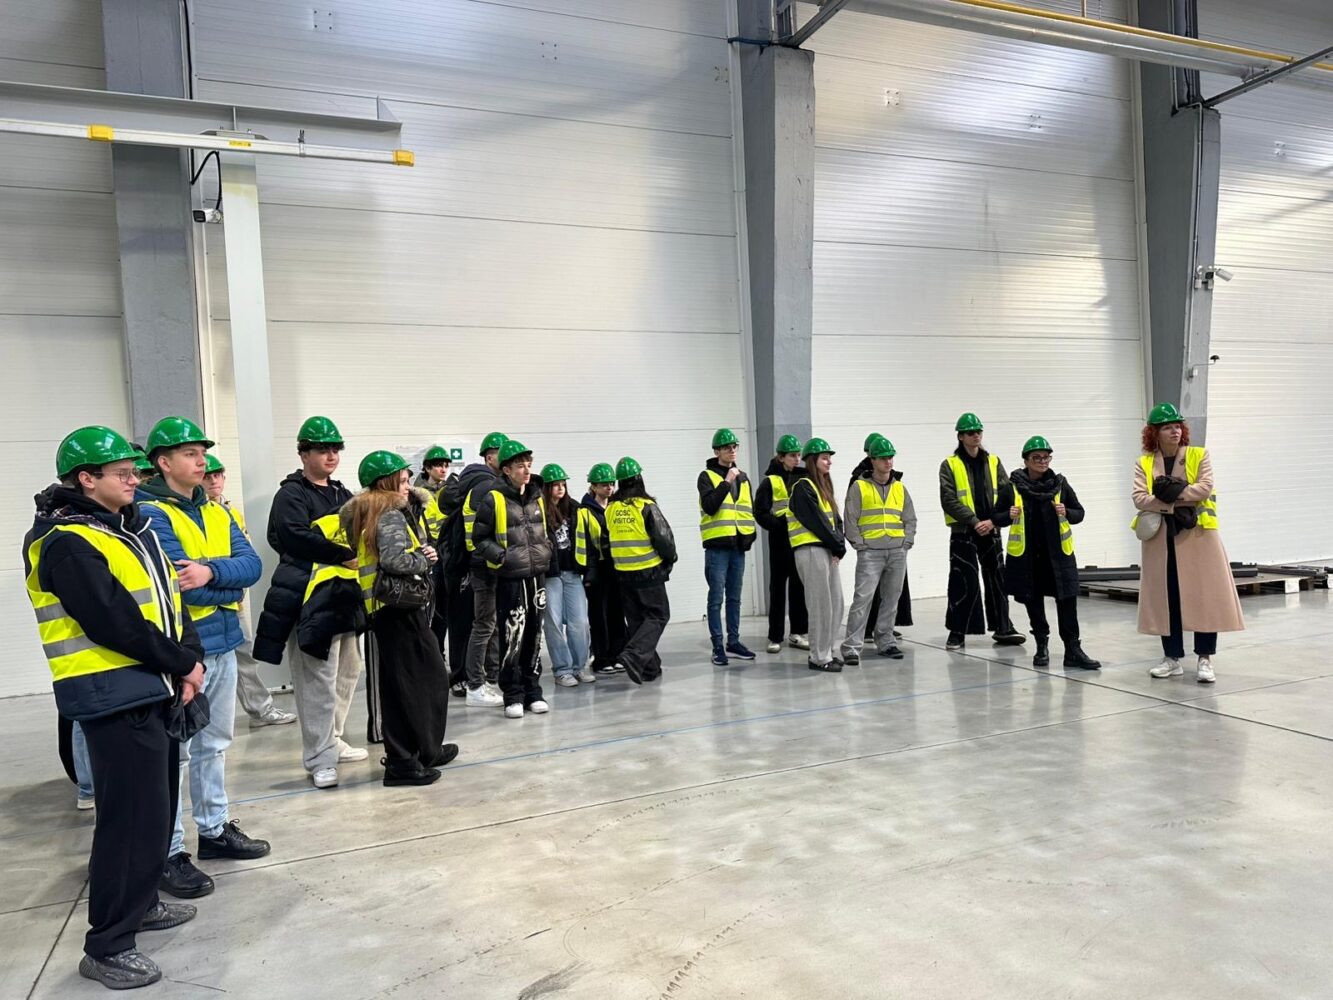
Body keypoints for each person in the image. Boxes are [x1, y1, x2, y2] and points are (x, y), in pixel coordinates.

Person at [24, 425, 205, 989]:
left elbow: (169, 601)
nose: (134, 480)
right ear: (86, 478)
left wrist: (189, 661)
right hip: (111, 693)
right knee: (128, 822)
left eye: (134, 472)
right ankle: (107, 944)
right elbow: (112, 621)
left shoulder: (129, 529)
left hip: (152, 686)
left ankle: (142, 904)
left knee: (156, 812)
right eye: (123, 473)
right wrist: (180, 662)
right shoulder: (65, 542)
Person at [138, 417, 271, 900]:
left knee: (214, 745)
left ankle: (214, 830)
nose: (202, 462)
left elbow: (252, 567)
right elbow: (181, 587)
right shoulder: (149, 512)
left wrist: (211, 573)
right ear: (163, 462)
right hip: (183, 652)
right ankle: (170, 850)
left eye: (203, 453)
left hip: (224, 643)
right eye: (191, 454)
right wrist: (225, 585)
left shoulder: (215, 510)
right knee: (176, 754)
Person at [253, 416, 367, 790]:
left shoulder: (342, 494)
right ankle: (320, 757)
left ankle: (333, 739)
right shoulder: (291, 495)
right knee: (316, 678)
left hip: (343, 595)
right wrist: (342, 553)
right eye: (322, 450)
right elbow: (291, 536)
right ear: (304, 454)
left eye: (335, 449)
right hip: (309, 599)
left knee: (349, 670)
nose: (331, 456)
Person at [342, 451, 457, 785]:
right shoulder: (388, 512)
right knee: (419, 682)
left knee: (407, 683)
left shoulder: (371, 511)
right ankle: (404, 761)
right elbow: (396, 561)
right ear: (386, 482)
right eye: (403, 481)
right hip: (397, 608)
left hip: (387, 610)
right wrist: (424, 558)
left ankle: (420, 750)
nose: (408, 486)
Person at [1132, 403, 1244, 683]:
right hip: (1161, 540)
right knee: (1166, 598)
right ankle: (1172, 658)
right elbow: (1139, 498)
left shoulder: (1198, 454)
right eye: (1168, 427)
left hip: (1198, 537)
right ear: (1154, 433)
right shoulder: (1144, 462)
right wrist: (1175, 502)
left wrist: (1169, 494)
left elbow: (1204, 488)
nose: (1175, 431)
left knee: (1204, 597)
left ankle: (1205, 658)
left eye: (1178, 426)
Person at [202, 453, 297, 728]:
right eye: (207, 476)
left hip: (232, 600)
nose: (213, 481)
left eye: (217, 475)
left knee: (244, 655)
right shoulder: (192, 515)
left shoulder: (230, 513)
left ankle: (260, 709)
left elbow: (246, 558)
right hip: (203, 603)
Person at [991, 436, 1101, 670]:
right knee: (1033, 601)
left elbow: (1079, 513)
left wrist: (1067, 511)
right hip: (1028, 558)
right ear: (1026, 461)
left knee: (1067, 601)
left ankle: (1073, 650)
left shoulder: (1060, 485)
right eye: (1036, 458)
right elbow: (996, 517)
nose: (1042, 461)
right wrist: (1007, 515)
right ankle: (1042, 646)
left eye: (1046, 457)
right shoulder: (1012, 487)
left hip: (1058, 557)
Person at [471, 440, 553, 718]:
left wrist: (547, 551)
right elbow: (479, 538)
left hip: (537, 576)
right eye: (520, 466)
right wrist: (502, 557)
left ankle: (533, 691)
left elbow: (545, 532)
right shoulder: (493, 499)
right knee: (512, 636)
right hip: (510, 579)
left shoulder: (537, 497)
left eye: (528, 464)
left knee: (535, 634)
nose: (527, 470)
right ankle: (513, 695)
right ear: (506, 470)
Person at [939, 412, 1025, 651]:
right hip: (964, 531)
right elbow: (948, 500)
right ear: (960, 436)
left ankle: (1003, 627)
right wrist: (975, 521)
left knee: (998, 579)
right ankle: (957, 632)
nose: (976, 436)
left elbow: (1007, 494)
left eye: (978, 431)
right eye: (970, 432)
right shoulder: (950, 465)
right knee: (962, 580)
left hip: (991, 529)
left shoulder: (994, 462)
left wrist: (993, 522)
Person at [443, 431, 510, 707]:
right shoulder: (485, 486)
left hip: (474, 564)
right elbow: (481, 534)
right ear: (489, 457)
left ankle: (488, 679)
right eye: (503, 455)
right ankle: (475, 684)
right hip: (482, 565)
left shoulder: (478, 483)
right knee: (483, 626)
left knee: (486, 625)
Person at [841, 436, 916, 664]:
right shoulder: (859, 487)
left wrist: (906, 543)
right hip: (870, 553)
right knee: (862, 600)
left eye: (890, 457)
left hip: (897, 552)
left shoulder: (900, 488)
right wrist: (860, 545)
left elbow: (910, 518)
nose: (888, 461)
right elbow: (850, 519)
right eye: (883, 458)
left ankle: (886, 641)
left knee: (891, 600)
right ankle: (851, 647)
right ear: (872, 460)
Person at [606, 457, 676, 685]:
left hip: (623, 573)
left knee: (637, 621)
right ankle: (633, 656)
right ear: (639, 479)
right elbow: (663, 539)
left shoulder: (611, 508)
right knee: (658, 615)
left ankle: (649, 669)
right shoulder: (646, 506)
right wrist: (670, 559)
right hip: (648, 572)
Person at [697, 428, 757, 666]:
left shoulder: (743, 477)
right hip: (718, 547)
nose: (732, 451)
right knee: (716, 599)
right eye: (726, 447)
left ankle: (734, 642)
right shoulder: (706, 476)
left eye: (734, 447)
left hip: (738, 547)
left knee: (734, 598)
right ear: (716, 451)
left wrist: (750, 536)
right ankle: (717, 646)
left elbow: (747, 509)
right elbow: (710, 506)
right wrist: (726, 481)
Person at [788, 438, 847, 672]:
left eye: (829, 458)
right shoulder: (802, 486)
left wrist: (838, 545)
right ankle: (819, 657)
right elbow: (817, 521)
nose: (829, 462)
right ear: (812, 461)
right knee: (820, 606)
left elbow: (835, 520)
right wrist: (837, 544)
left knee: (836, 604)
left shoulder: (823, 488)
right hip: (811, 550)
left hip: (826, 550)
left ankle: (827, 651)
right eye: (824, 458)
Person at [754, 434, 809, 655]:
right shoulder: (769, 482)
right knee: (777, 590)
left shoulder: (804, 478)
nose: (797, 459)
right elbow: (760, 512)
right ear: (781, 457)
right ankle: (775, 637)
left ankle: (798, 633)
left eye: (798, 455)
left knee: (799, 588)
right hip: (779, 542)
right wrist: (778, 525)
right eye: (792, 456)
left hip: (800, 541)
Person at [541, 463, 594, 687]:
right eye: (555, 485)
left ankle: (579, 666)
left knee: (580, 622)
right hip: (550, 575)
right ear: (546, 488)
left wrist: (588, 570)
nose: (560, 488)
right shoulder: (539, 511)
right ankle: (562, 670)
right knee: (553, 623)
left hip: (572, 573)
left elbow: (586, 540)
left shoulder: (575, 509)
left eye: (563, 484)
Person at [578, 463, 627, 675]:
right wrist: (589, 574)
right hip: (597, 570)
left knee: (617, 614)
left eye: (611, 484)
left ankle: (618, 655)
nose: (609, 488)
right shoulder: (584, 512)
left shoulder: (617, 508)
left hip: (617, 567)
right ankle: (602, 659)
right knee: (599, 617)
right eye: (604, 484)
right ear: (594, 486)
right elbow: (585, 544)